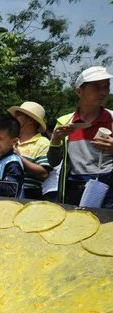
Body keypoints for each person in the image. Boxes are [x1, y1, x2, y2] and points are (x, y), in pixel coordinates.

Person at [47, 66, 113, 208]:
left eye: (106, 87)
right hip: (73, 190)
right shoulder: (65, 122)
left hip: (108, 189)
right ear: (79, 91)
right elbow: (53, 162)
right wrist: (56, 140)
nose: (103, 92)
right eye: (96, 87)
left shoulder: (112, 119)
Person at [7, 101, 51, 200]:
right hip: (6, 192)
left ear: (30, 120)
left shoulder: (43, 143)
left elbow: (43, 173)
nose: (14, 118)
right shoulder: (10, 139)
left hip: (29, 196)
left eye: (18, 115)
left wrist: (19, 158)